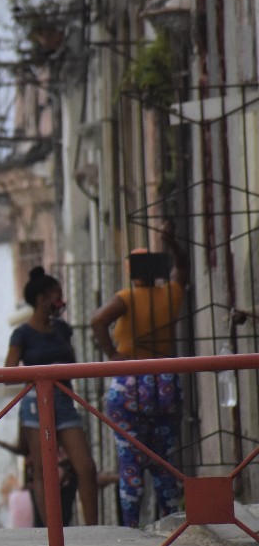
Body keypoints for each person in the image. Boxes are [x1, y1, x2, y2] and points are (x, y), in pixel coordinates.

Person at [90, 221, 189, 527]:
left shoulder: (127, 297)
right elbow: (183, 267)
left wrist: (113, 356)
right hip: (165, 382)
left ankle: (131, 527)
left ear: (131, 269)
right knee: (164, 462)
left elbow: (97, 321)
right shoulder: (170, 294)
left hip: (131, 382)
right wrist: (170, 243)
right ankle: (170, 522)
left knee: (130, 464)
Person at [4, 267, 99, 526]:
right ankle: (51, 530)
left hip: (64, 403)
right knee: (45, 471)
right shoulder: (22, 333)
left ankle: (94, 528)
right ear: (42, 299)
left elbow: (73, 363)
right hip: (36, 404)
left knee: (86, 467)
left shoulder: (63, 329)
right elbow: (7, 373)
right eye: (56, 296)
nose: (60, 302)